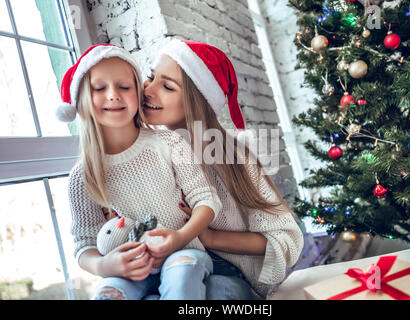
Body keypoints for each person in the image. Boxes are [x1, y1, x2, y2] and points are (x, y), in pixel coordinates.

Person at [56, 44, 222, 300]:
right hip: (129, 272)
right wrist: (104, 266)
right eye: (100, 88)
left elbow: (206, 199)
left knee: (181, 278)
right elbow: (85, 246)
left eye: (124, 87)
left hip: (184, 253)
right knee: (106, 294)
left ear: (138, 92)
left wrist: (180, 237)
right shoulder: (83, 176)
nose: (113, 95)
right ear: (82, 101)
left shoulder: (168, 142)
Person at [142, 39, 304, 299]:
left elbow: (286, 239)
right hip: (164, 275)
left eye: (167, 86)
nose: (148, 90)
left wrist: (209, 237)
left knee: (215, 291)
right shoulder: (143, 154)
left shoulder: (233, 157)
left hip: (226, 277)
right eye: (150, 77)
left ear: (197, 101)